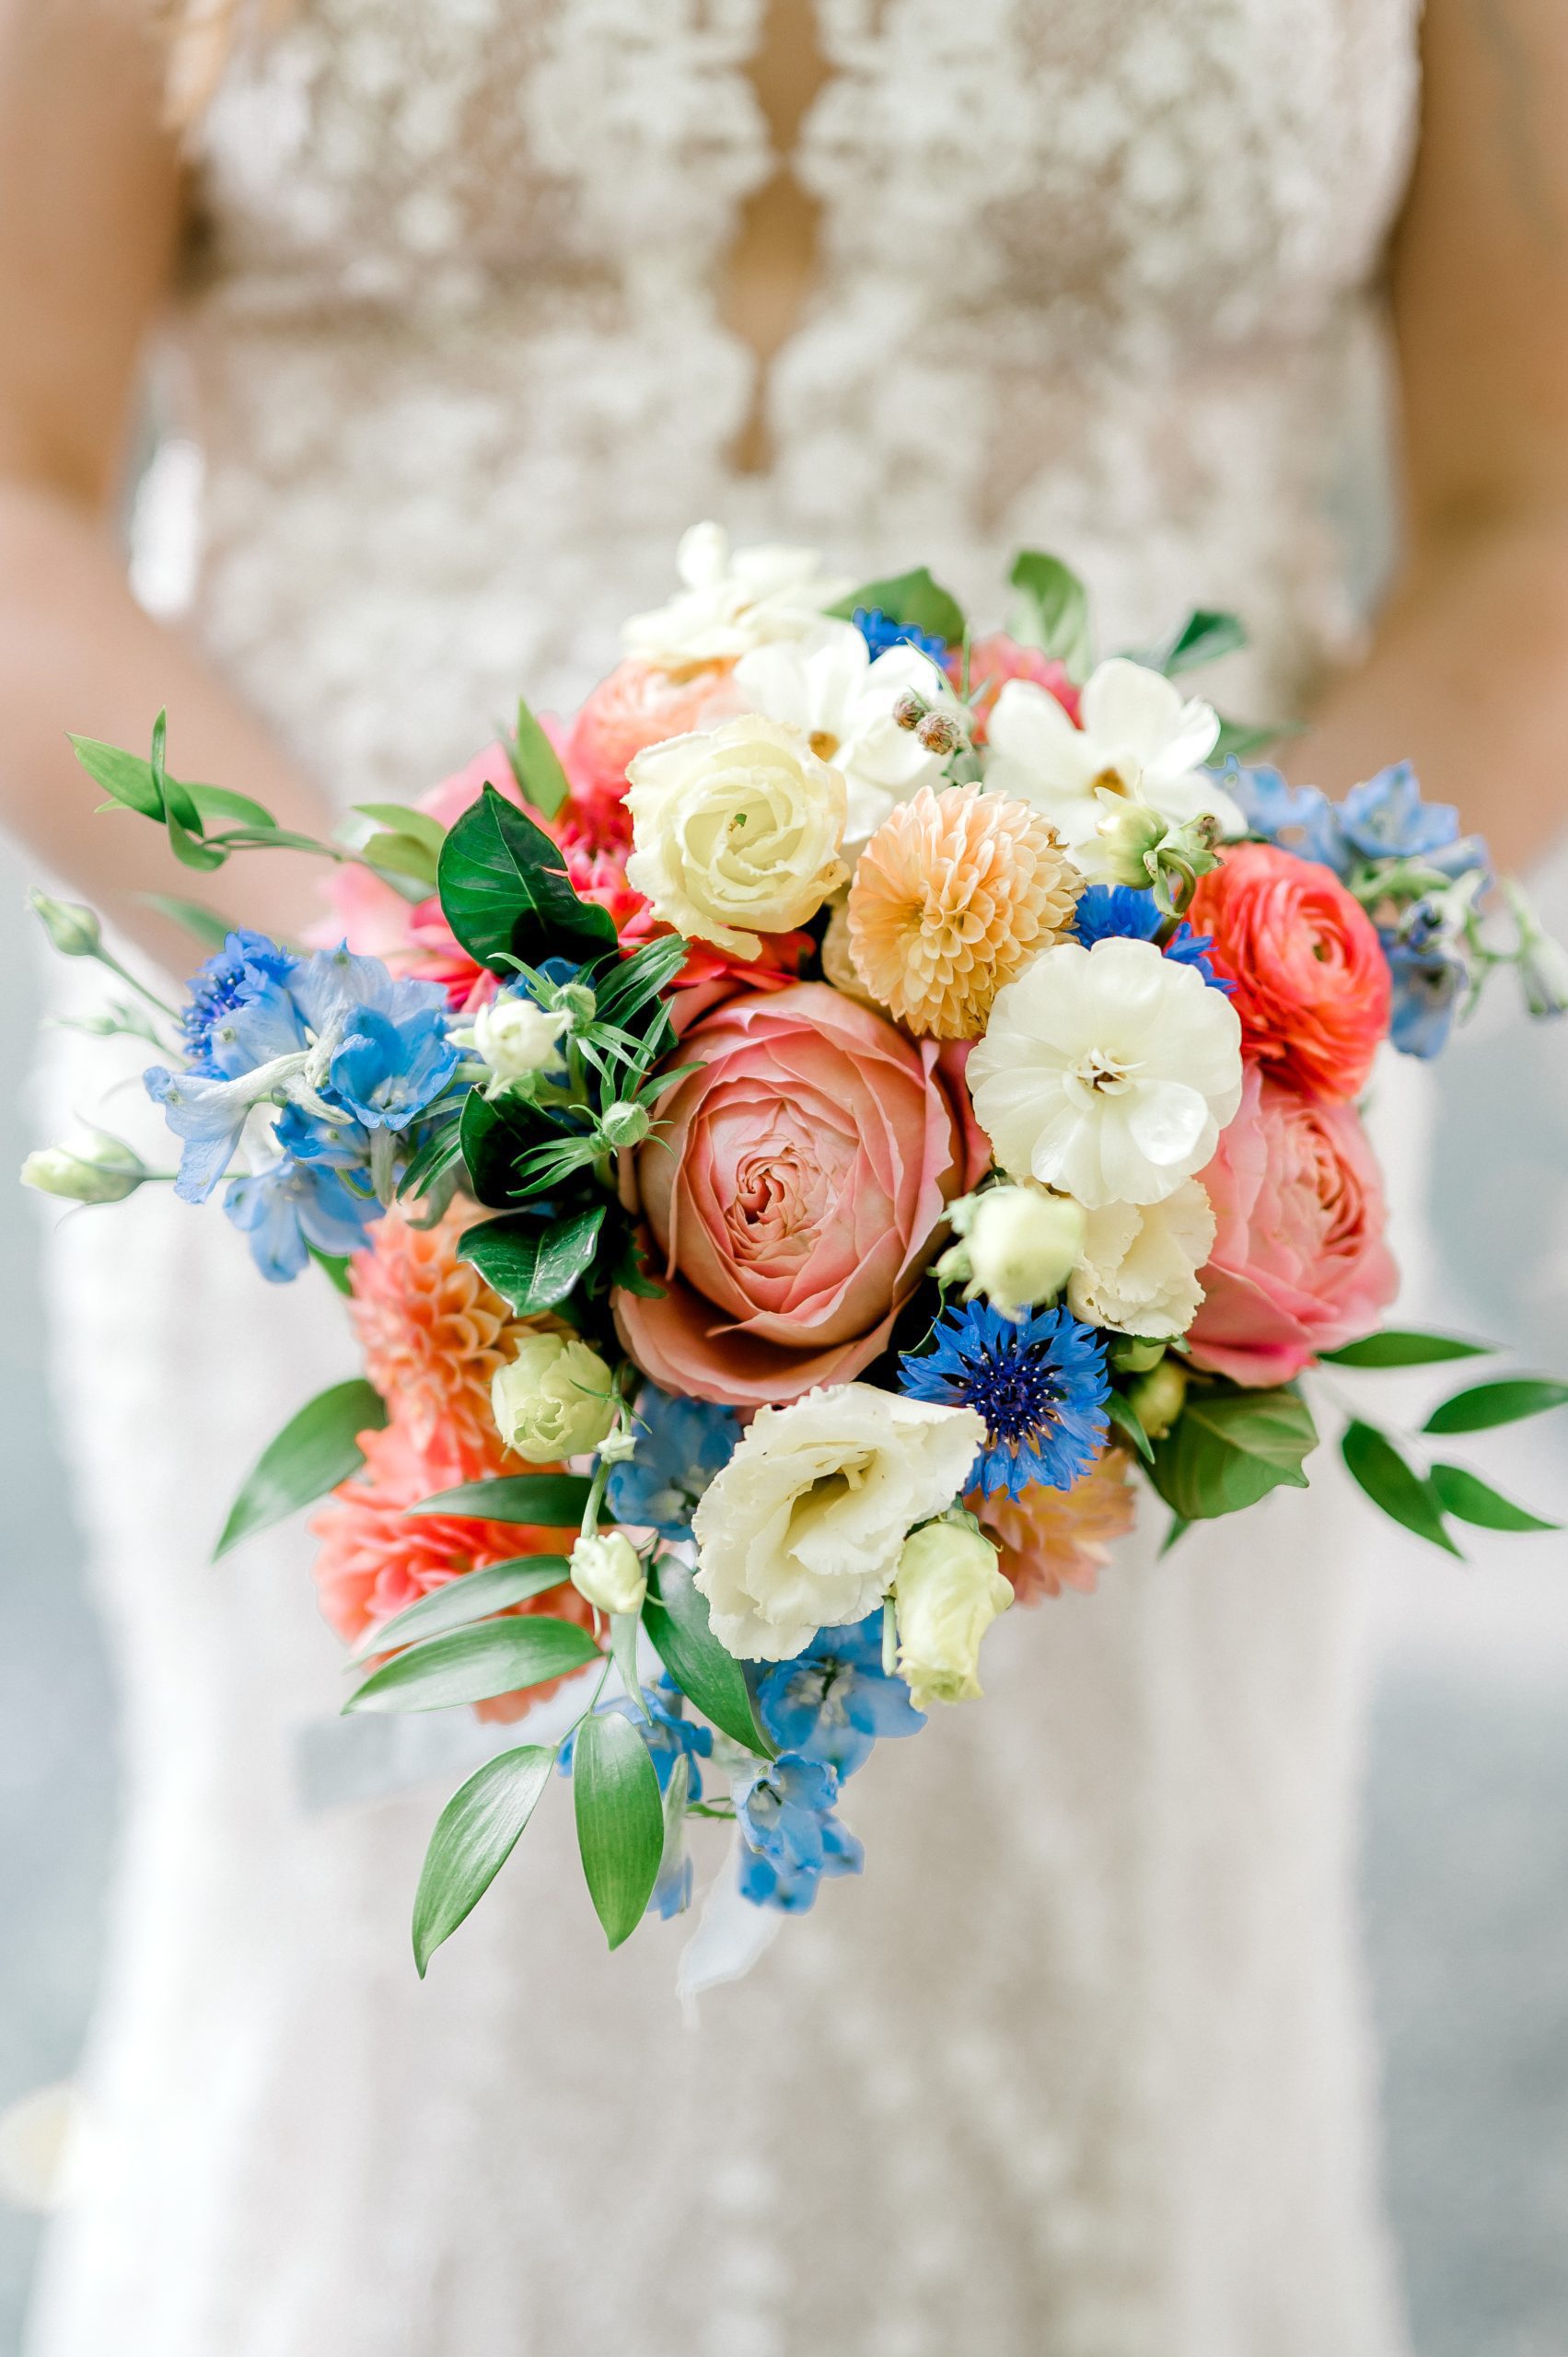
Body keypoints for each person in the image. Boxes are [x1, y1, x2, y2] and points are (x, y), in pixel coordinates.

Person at [4, 2, 1566, 2350]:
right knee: (393, 2060)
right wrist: (442, 1054)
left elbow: (1527, 515)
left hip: (1132, 1201)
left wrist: (1203, 1055)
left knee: (1096, 2034)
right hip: (357, 1141)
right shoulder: (394, 1093)